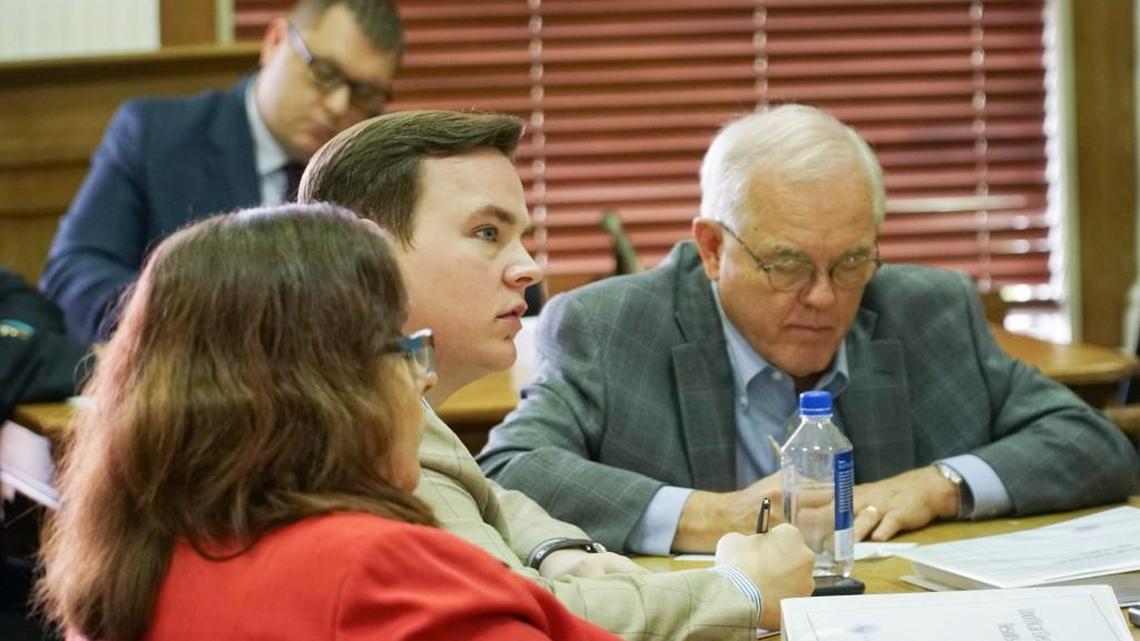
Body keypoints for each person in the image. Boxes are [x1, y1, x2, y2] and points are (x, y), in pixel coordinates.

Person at [478, 104, 1140, 555]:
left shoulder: (928, 311)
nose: (824, 296)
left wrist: (936, 485)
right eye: (787, 264)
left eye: (851, 261)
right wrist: (714, 516)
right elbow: (508, 471)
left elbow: (1092, 443)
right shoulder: (612, 326)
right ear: (712, 249)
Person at [299, 110, 816, 638]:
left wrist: (559, 549)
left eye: (520, 237)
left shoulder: (346, 392)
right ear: (372, 257)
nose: (529, 267)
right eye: (486, 232)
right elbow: (517, 620)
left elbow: (484, 494)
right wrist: (743, 591)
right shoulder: (354, 433)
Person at [36, 203, 627, 641]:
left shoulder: (136, 561)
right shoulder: (370, 568)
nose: (421, 378)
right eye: (404, 346)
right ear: (323, 385)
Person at [39, 0, 402, 342]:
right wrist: (191, 324)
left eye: (363, 94)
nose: (338, 105)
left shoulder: (376, 170)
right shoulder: (156, 137)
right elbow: (72, 273)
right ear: (275, 42)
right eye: (324, 73)